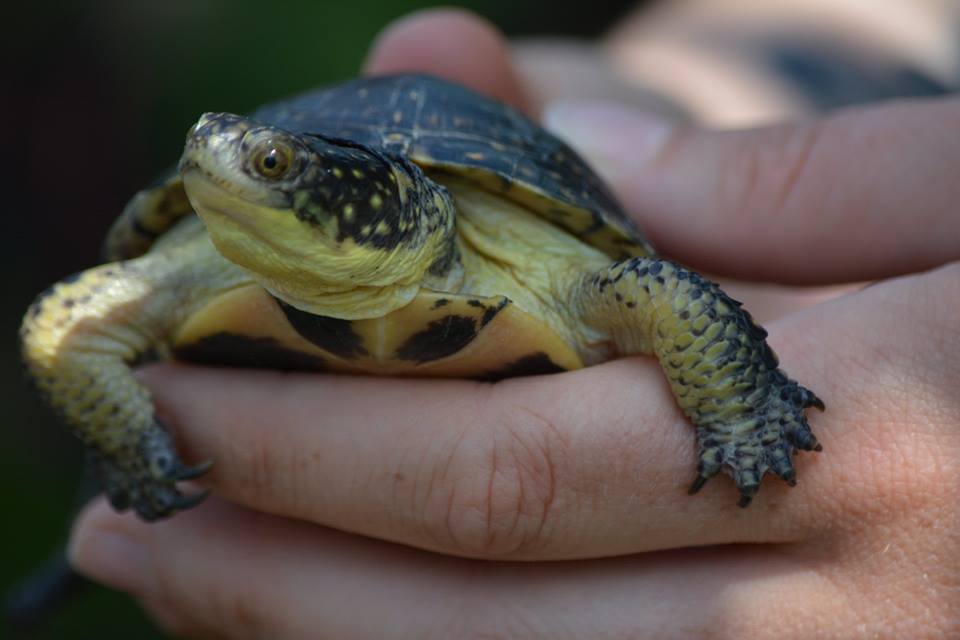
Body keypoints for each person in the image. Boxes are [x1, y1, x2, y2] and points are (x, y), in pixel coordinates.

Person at [69, 3, 959, 637]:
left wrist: (745, 415)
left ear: (371, 201)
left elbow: (669, 297)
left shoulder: (542, 264)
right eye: (217, 158)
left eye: (267, 163)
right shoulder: (194, 258)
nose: (223, 168)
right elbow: (71, 335)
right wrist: (130, 444)